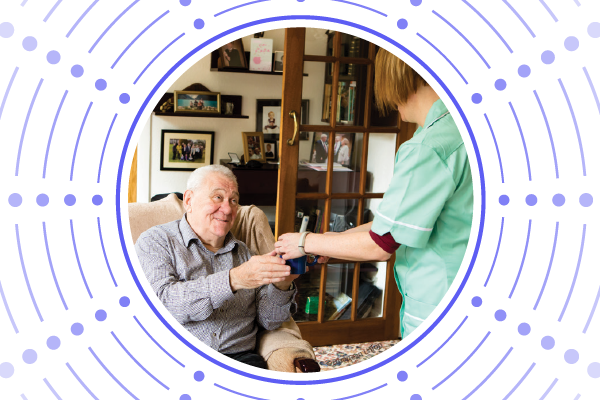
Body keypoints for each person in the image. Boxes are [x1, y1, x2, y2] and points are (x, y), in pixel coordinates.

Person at [275, 49, 473, 338]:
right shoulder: (461, 130)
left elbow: (381, 243)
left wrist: (305, 241)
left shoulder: (428, 148)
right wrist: (332, 240)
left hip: (440, 297)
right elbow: (391, 224)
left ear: (398, 78)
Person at [135, 165, 298, 369]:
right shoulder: (155, 241)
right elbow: (163, 303)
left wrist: (282, 285)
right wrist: (234, 279)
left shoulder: (245, 254)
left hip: (241, 361)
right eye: (218, 197)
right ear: (189, 201)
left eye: (233, 201)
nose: (228, 209)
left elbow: (269, 321)